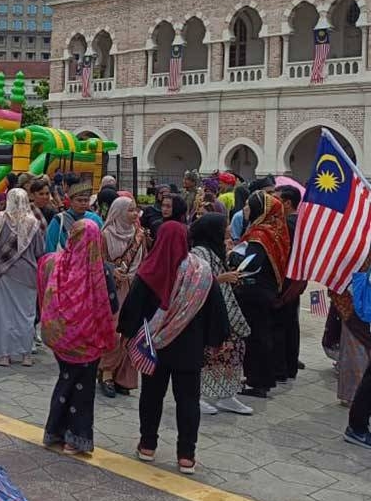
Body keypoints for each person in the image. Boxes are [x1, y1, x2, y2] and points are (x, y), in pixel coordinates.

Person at [118, 222, 230, 475]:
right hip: (189, 349)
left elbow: (133, 309)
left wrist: (127, 334)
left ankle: (147, 445)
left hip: (153, 347)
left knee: (151, 396)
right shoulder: (202, 273)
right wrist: (216, 341)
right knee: (188, 401)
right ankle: (186, 456)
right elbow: (216, 310)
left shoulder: (150, 269)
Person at [38, 219, 119, 455]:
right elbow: (112, 304)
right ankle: (75, 438)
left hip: (61, 338)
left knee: (65, 380)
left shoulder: (55, 262)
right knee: (83, 389)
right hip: (88, 340)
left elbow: (44, 292)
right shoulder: (101, 270)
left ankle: (54, 432)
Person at [190, 213, 253, 415]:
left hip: (226, 309)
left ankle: (227, 394)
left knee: (232, 350)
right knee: (206, 354)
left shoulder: (216, 249)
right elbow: (195, 283)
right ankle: (196, 395)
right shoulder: (199, 252)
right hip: (207, 312)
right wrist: (223, 278)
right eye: (224, 226)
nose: (227, 230)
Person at [0, 188, 45, 367]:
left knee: (4, 314)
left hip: (4, 274)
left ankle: (4, 355)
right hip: (28, 275)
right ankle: (26, 355)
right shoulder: (33, 223)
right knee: (26, 315)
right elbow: (40, 251)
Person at [233, 191, 290, 398]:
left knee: (256, 337)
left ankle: (258, 382)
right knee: (263, 335)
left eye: (248, 205)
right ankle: (263, 378)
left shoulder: (259, 236)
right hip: (266, 290)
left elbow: (251, 264)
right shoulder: (272, 231)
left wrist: (232, 257)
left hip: (254, 291)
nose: (244, 209)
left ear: (259, 209)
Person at [98, 197, 148, 398]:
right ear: (118, 212)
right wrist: (111, 271)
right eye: (130, 211)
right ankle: (106, 372)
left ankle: (123, 378)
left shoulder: (139, 235)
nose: (135, 214)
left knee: (130, 332)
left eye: (136, 210)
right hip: (109, 291)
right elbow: (96, 263)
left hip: (132, 288)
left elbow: (144, 262)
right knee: (113, 332)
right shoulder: (105, 235)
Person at [273, 184, 305, 380]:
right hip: (294, 281)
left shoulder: (289, 225)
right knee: (290, 324)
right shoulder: (296, 222)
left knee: (282, 325)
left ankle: (282, 368)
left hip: (287, 282)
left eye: (277, 199)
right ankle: (289, 365)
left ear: (287, 203)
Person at [45, 176, 103, 253]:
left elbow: (101, 244)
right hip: (64, 262)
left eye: (86, 200)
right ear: (71, 201)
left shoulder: (95, 219)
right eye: (79, 200)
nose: (83, 203)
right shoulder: (59, 219)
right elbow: (50, 245)